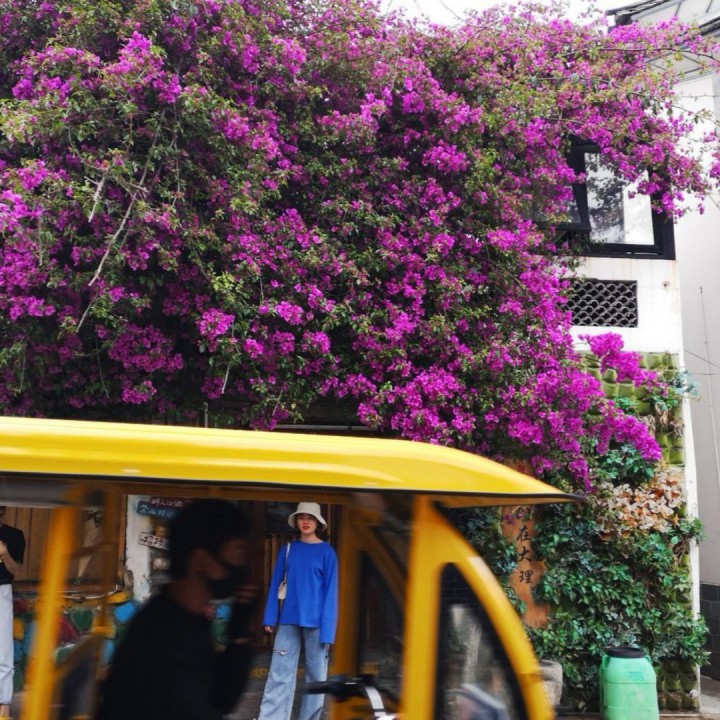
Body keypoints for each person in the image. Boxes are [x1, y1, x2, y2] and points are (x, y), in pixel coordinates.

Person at [95, 499, 257, 720]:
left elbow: (222, 698)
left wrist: (239, 637)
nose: (242, 565)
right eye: (238, 552)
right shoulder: (163, 636)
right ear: (200, 560)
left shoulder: (190, 620)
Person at [258, 502, 338, 720]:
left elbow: (331, 593)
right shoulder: (287, 550)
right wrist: (270, 617)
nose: (305, 521)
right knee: (279, 674)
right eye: (302, 517)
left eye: (310, 517)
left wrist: (328, 631)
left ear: (318, 523)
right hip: (288, 621)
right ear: (296, 521)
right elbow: (275, 584)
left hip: (317, 624)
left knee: (316, 680)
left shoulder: (327, 553)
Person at [0, 506, 25, 720]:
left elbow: (16, 571)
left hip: (1, 589)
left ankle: (4, 705)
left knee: (3, 649)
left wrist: (4, 553)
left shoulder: (14, 535)